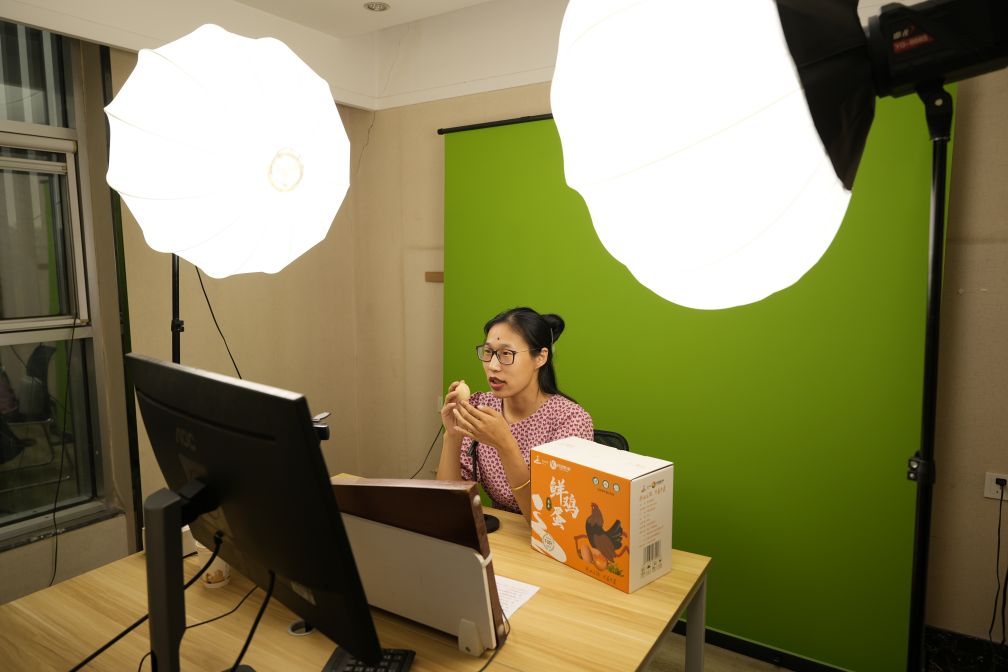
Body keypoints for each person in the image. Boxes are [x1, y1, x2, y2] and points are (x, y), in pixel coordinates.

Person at [436, 307, 593, 523]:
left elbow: (552, 521)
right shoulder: (480, 407)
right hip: (503, 537)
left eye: (506, 354)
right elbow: (447, 505)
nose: (492, 366)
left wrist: (505, 445)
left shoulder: (571, 421)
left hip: (546, 539)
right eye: (488, 352)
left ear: (540, 357)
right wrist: (452, 436)